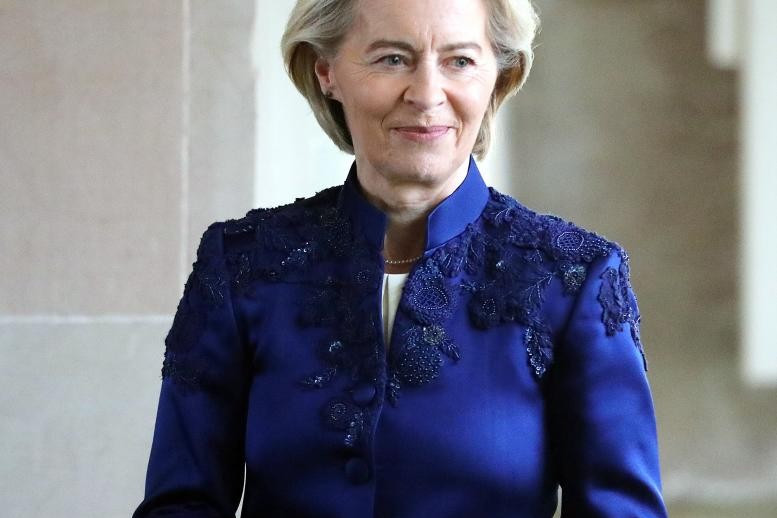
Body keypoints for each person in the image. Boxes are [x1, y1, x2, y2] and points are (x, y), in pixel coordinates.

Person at [133, 0, 668, 516]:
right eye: (392, 58)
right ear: (327, 71)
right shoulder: (241, 265)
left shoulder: (575, 280)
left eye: (460, 61)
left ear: (498, 77)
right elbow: (182, 504)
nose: (427, 94)